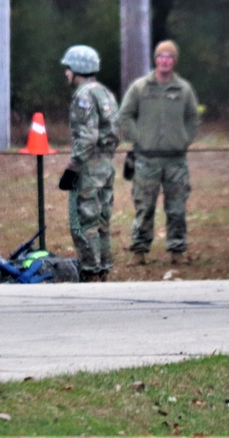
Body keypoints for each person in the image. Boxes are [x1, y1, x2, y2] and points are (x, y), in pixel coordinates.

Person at [118, 40, 199, 265]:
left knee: (176, 208)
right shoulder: (140, 87)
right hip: (146, 160)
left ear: (174, 61)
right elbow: (125, 116)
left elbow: (193, 118)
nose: (165, 61)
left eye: (169, 57)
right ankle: (139, 252)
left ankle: (177, 250)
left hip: (176, 161)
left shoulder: (183, 89)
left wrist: (184, 139)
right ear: (155, 60)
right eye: (161, 56)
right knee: (144, 207)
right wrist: (139, 139)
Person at [58, 45, 120, 283]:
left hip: (89, 167)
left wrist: (73, 167)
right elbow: (115, 129)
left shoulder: (83, 96)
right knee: (103, 220)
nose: (66, 73)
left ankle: (90, 271)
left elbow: (87, 137)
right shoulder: (105, 93)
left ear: (77, 69)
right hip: (106, 164)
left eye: (68, 68)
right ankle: (104, 269)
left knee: (84, 223)